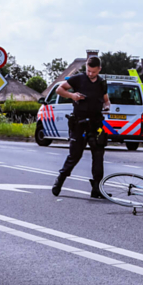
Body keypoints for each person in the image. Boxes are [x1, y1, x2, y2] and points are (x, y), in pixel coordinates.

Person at [52, 57, 109, 199]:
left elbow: (106, 100)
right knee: (75, 155)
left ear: (99, 69)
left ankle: (97, 188)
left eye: (93, 72)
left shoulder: (102, 83)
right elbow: (59, 89)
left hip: (96, 124)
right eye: (88, 71)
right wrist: (72, 95)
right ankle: (60, 180)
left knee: (98, 155)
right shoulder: (78, 79)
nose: (90, 74)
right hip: (79, 123)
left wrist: (107, 106)